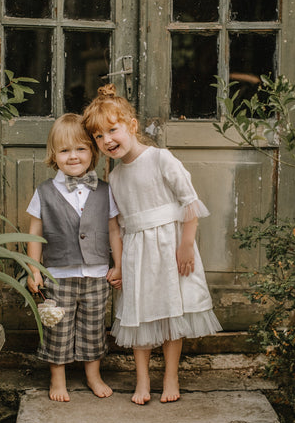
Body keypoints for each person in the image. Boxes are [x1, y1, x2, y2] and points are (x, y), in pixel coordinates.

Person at [83, 85, 222, 405]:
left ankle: (171, 376)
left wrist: (187, 244)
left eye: (112, 130)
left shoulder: (161, 159)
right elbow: (115, 228)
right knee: (139, 314)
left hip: (171, 246)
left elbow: (190, 203)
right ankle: (142, 381)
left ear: (131, 125)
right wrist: (117, 264)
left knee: (173, 312)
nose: (107, 141)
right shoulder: (115, 178)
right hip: (136, 252)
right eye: (98, 137)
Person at [26, 113, 122, 402]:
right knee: (58, 328)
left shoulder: (105, 190)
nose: (73, 156)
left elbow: (114, 230)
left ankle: (93, 375)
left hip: (96, 275)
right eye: (65, 150)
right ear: (54, 155)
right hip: (58, 274)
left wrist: (119, 265)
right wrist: (34, 270)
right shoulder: (45, 191)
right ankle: (58, 378)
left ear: (92, 151)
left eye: (80, 148)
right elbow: (34, 232)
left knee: (93, 327)